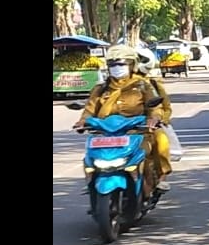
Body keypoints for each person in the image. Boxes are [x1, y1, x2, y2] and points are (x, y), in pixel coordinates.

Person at [72, 44, 169, 199]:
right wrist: (82, 122)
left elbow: (155, 106)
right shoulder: (101, 89)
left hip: (137, 130)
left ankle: (158, 179)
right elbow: (90, 109)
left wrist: (154, 118)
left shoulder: (143, 85)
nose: (117, 68)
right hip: (106, 133)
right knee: (89, 157)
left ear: (132, 65)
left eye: (121, 64)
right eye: (113, 65)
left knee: (160, 142)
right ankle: (91, 181)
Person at [133, 49, 176, 192]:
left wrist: (158, 119)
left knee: (161, 140)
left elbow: (165, 107)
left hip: (146, 127)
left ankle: (162, 176)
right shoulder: (113, 85)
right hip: (120, 129)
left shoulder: (153, 84)